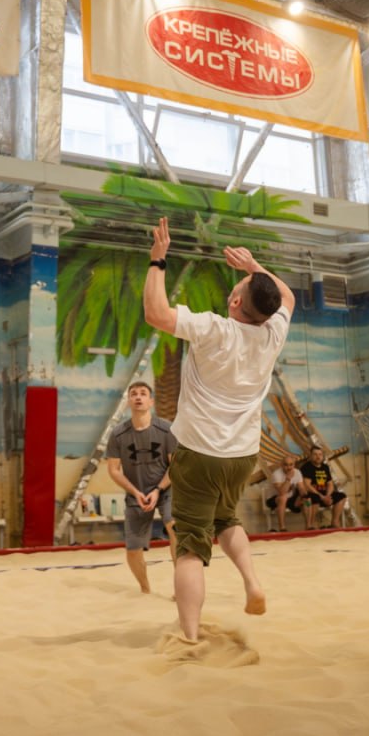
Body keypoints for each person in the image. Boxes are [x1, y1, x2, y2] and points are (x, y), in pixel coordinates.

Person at [143, 216, 295, 643]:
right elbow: (286, 296)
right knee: (227, 519)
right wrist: (254, 267)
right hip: (242, 456)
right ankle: (252, 582)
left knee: (190, 546)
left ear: (234, 301)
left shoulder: (214, 329)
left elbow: (155, 313)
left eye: (240, 285)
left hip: (199, 454)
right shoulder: (273, 334)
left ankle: (190, 636)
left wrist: (157, 260)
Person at [104, 381, 178, 593]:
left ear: (151, 401)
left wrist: (158, 490)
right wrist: (135, 492)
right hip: (136, 493)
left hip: (166, 489)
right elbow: (114, 470)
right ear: (129, 402)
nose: (138, 397)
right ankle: (145, 589)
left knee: (175, 528)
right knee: (133, 549)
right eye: (134, 394)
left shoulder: (167, 429)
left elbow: (176, 466)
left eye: (143, 393)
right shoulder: (118, 434)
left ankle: (180, 587)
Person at [300, 445, 348, 529]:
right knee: (313, 498)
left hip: (324, 495)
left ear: (322, 456)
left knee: (342, 496)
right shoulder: (306, 467)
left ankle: (334, 522)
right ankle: (310, 525)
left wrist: (327, 496)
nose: (318, 457)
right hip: (311, 495)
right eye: (315, 454)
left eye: (320, 454)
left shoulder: (325, 467)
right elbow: (307, 485)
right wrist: (322, 497)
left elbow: (330, 484)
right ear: (311, 455)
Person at [263, 453, 305, 533]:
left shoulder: (297, 472)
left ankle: (309, 526)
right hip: (274, 499)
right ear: (281, 465)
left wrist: (303, 495)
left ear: (294, 465)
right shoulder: (276, 474)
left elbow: (301, 488)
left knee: (307, 499)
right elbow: (282, 492)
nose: (289, 467)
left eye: (291, 465)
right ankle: (282, 528)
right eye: (286, 465)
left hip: (289, 498)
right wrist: (288, 479)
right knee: (283, 498)